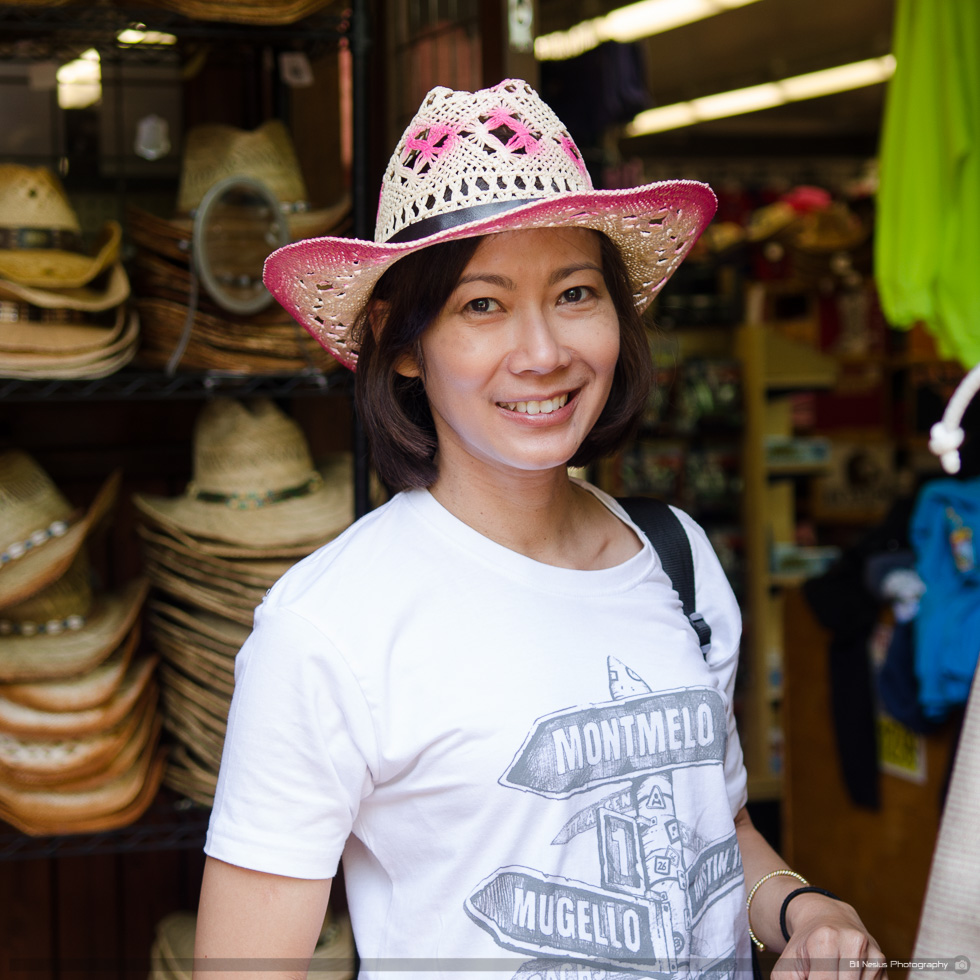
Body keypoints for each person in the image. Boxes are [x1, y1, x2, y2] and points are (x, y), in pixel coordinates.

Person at [194, 79, 885, 980]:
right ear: (401, 342)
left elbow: (721, 830)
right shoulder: (332, 627)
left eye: (574, 293)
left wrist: (800, 906)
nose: (544, 352)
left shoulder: (673, 557)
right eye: (482, 305)